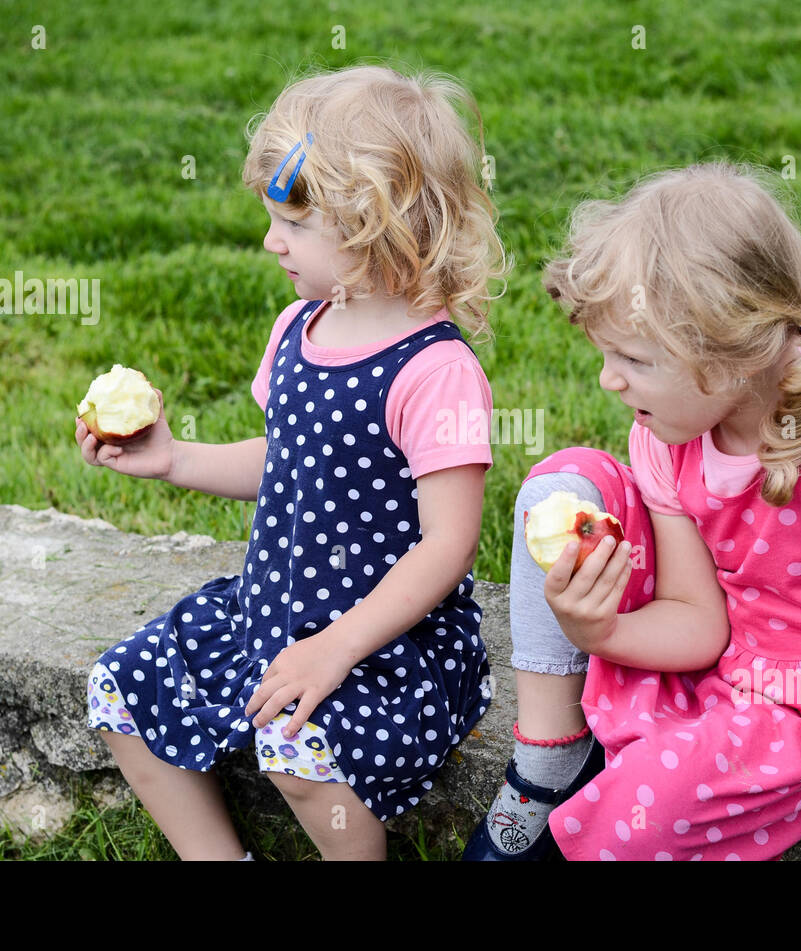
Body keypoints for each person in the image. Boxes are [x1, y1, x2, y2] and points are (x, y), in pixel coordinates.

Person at [463, 162, 801, 861]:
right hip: (721, 656)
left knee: (662, 789)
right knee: (565, 481)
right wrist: (596, 628)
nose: (607, 378)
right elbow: (697, 621)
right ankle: (550, 759)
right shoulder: (665, 431)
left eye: (632, 358)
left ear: (727, 357)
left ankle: (590, 829)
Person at [77, 64, 508, 861]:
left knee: (297, 746)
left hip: (385, 645)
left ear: (381, 225)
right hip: (268, 615)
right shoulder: (297, 328)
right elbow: (288, 462)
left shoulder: (433, 370)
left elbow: (449, 547)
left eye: (295, 224)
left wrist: (336, 646)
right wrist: (174, 459)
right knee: (118, 688)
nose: (271, 240)